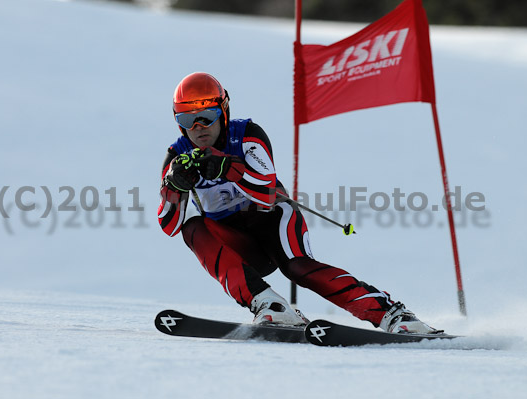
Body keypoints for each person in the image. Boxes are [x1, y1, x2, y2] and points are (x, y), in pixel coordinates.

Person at [158, 72, 439, 334]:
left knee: (298, 268)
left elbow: (267, 193)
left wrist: (227, 167)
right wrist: (175, 185)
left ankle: (392, 315)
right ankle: (272, 305)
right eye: (187, 120)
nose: (198, 128)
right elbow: (168, 225)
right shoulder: (178, 156)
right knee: (192, 227)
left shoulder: (247, 135)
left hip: (272, 220)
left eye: (207, 116)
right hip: (239, 243)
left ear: (223, 111)